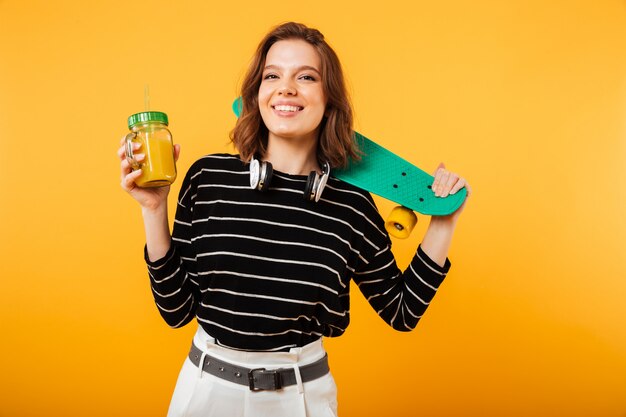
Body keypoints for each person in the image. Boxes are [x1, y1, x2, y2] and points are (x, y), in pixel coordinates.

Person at [118, 21, 470, 417]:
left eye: (305, 77)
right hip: (205, 392)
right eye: (273, 75)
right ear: (258, 92)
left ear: (328, 99)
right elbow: (177, 310)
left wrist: (444, 221)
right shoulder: (207, 178)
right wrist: (153, 210)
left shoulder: (352, 205)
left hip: (301, 399)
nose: (286, 88)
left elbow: (401, 312)